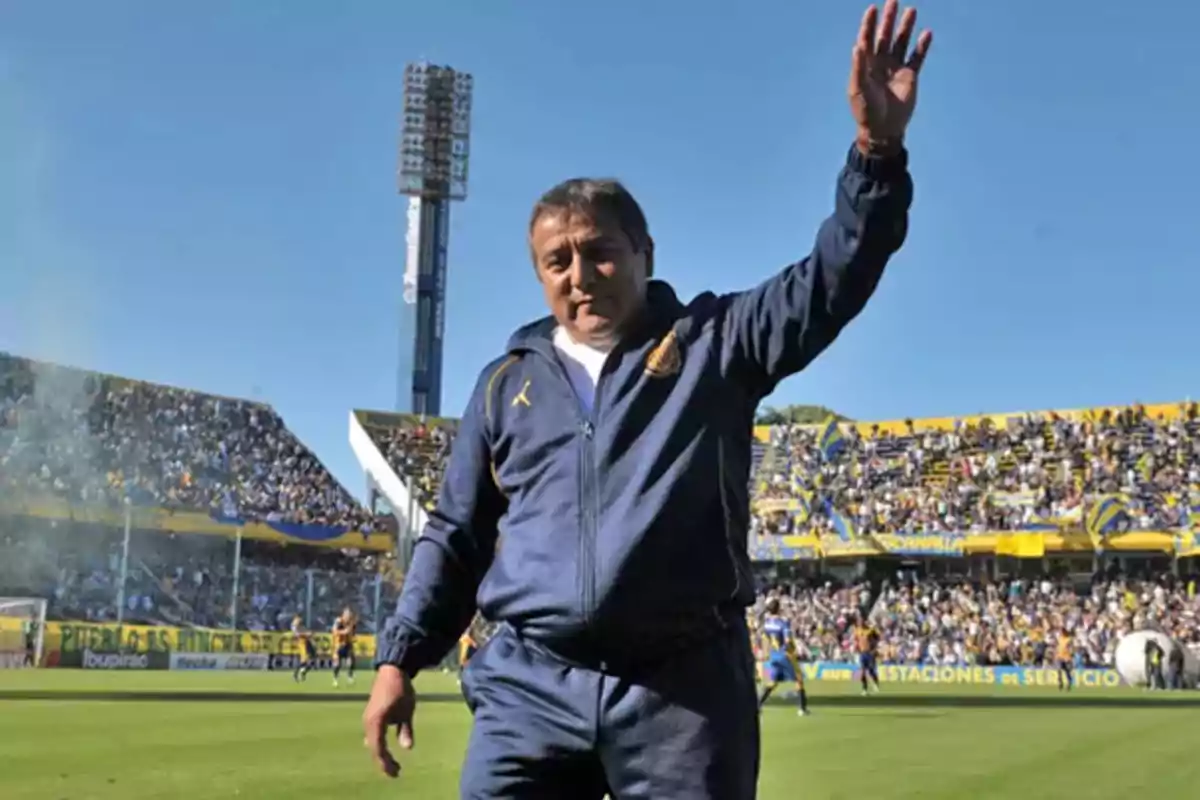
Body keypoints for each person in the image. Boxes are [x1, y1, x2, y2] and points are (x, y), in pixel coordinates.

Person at [363, 3, 932, 796]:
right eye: (556, 260)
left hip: (682, 693)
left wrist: (876, 151)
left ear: (643, 254)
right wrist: (399, 656)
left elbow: (832, 280)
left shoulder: (717, 342)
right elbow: (457, 536)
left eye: (599, 252)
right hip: (530, 688)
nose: (578, 274)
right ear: (539, 274)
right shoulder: (506, 385)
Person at [756, 599, 810, 716]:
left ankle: (757, 706)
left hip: (774, 655)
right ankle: (802, 709)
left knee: (773, 682)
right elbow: (787, 640)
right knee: (799, 679)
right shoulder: (783, 623)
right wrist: (794, 649)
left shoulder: (767, 624)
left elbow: (765, 639)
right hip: (785, 655)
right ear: (779, 609)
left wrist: (766, 653)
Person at [853, 615, 882, 695]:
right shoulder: (857, 630)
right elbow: (856, 640)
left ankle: (876, 684)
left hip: (870, 653)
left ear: (864, 622)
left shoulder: (870, 630)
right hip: (862, 654)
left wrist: (875, 649)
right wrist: (856, 647)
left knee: (871, 671)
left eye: (861, 621)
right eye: (858, 622)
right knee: (862, 672)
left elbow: (878, 638)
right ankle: (864, 689)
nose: (860, 623)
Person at [332, 608, 357, 688]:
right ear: (343, 615)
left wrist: (353, 638)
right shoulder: (339, 621)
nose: (349, 617)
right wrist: (343, 632)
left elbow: (352, 633)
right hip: (338, 645)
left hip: (348, 644)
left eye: (350, 615)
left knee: (351, 661)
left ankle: (350, 677)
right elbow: (334, 631)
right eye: (347, 615)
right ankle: (335, 679)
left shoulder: (351, 623)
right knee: (337, 664)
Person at [291, 614, 315, 683]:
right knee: (304, 660)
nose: (299, 620)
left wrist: (311, 637)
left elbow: (306, 631)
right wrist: (306, 634)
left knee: (312, 660)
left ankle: (303, 672)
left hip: (307, 642)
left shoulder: (301, 625)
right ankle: (295, 674)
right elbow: (297, 634)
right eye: (298, 619)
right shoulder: (294, 625)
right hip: (302, 643)